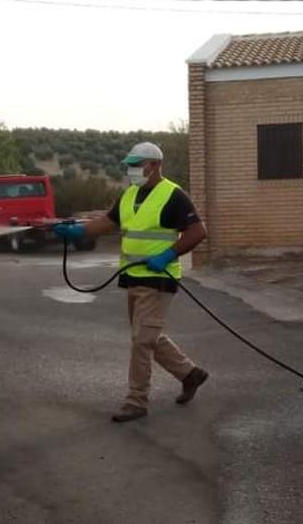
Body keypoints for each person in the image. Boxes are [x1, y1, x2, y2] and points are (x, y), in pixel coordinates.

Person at [53, 141, 209, 422]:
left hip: (158, 278)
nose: (131, 170)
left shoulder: (174, 195)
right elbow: (108, 222)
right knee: (146, 336)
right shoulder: (130, 194)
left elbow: (198, 231)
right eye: (129, 165)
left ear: (155, 165)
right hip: (133, 277)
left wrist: (168, 255)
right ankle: (190, 374)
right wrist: (78, 231)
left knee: (141, 341)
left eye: (137, 165)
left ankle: (136, 401)